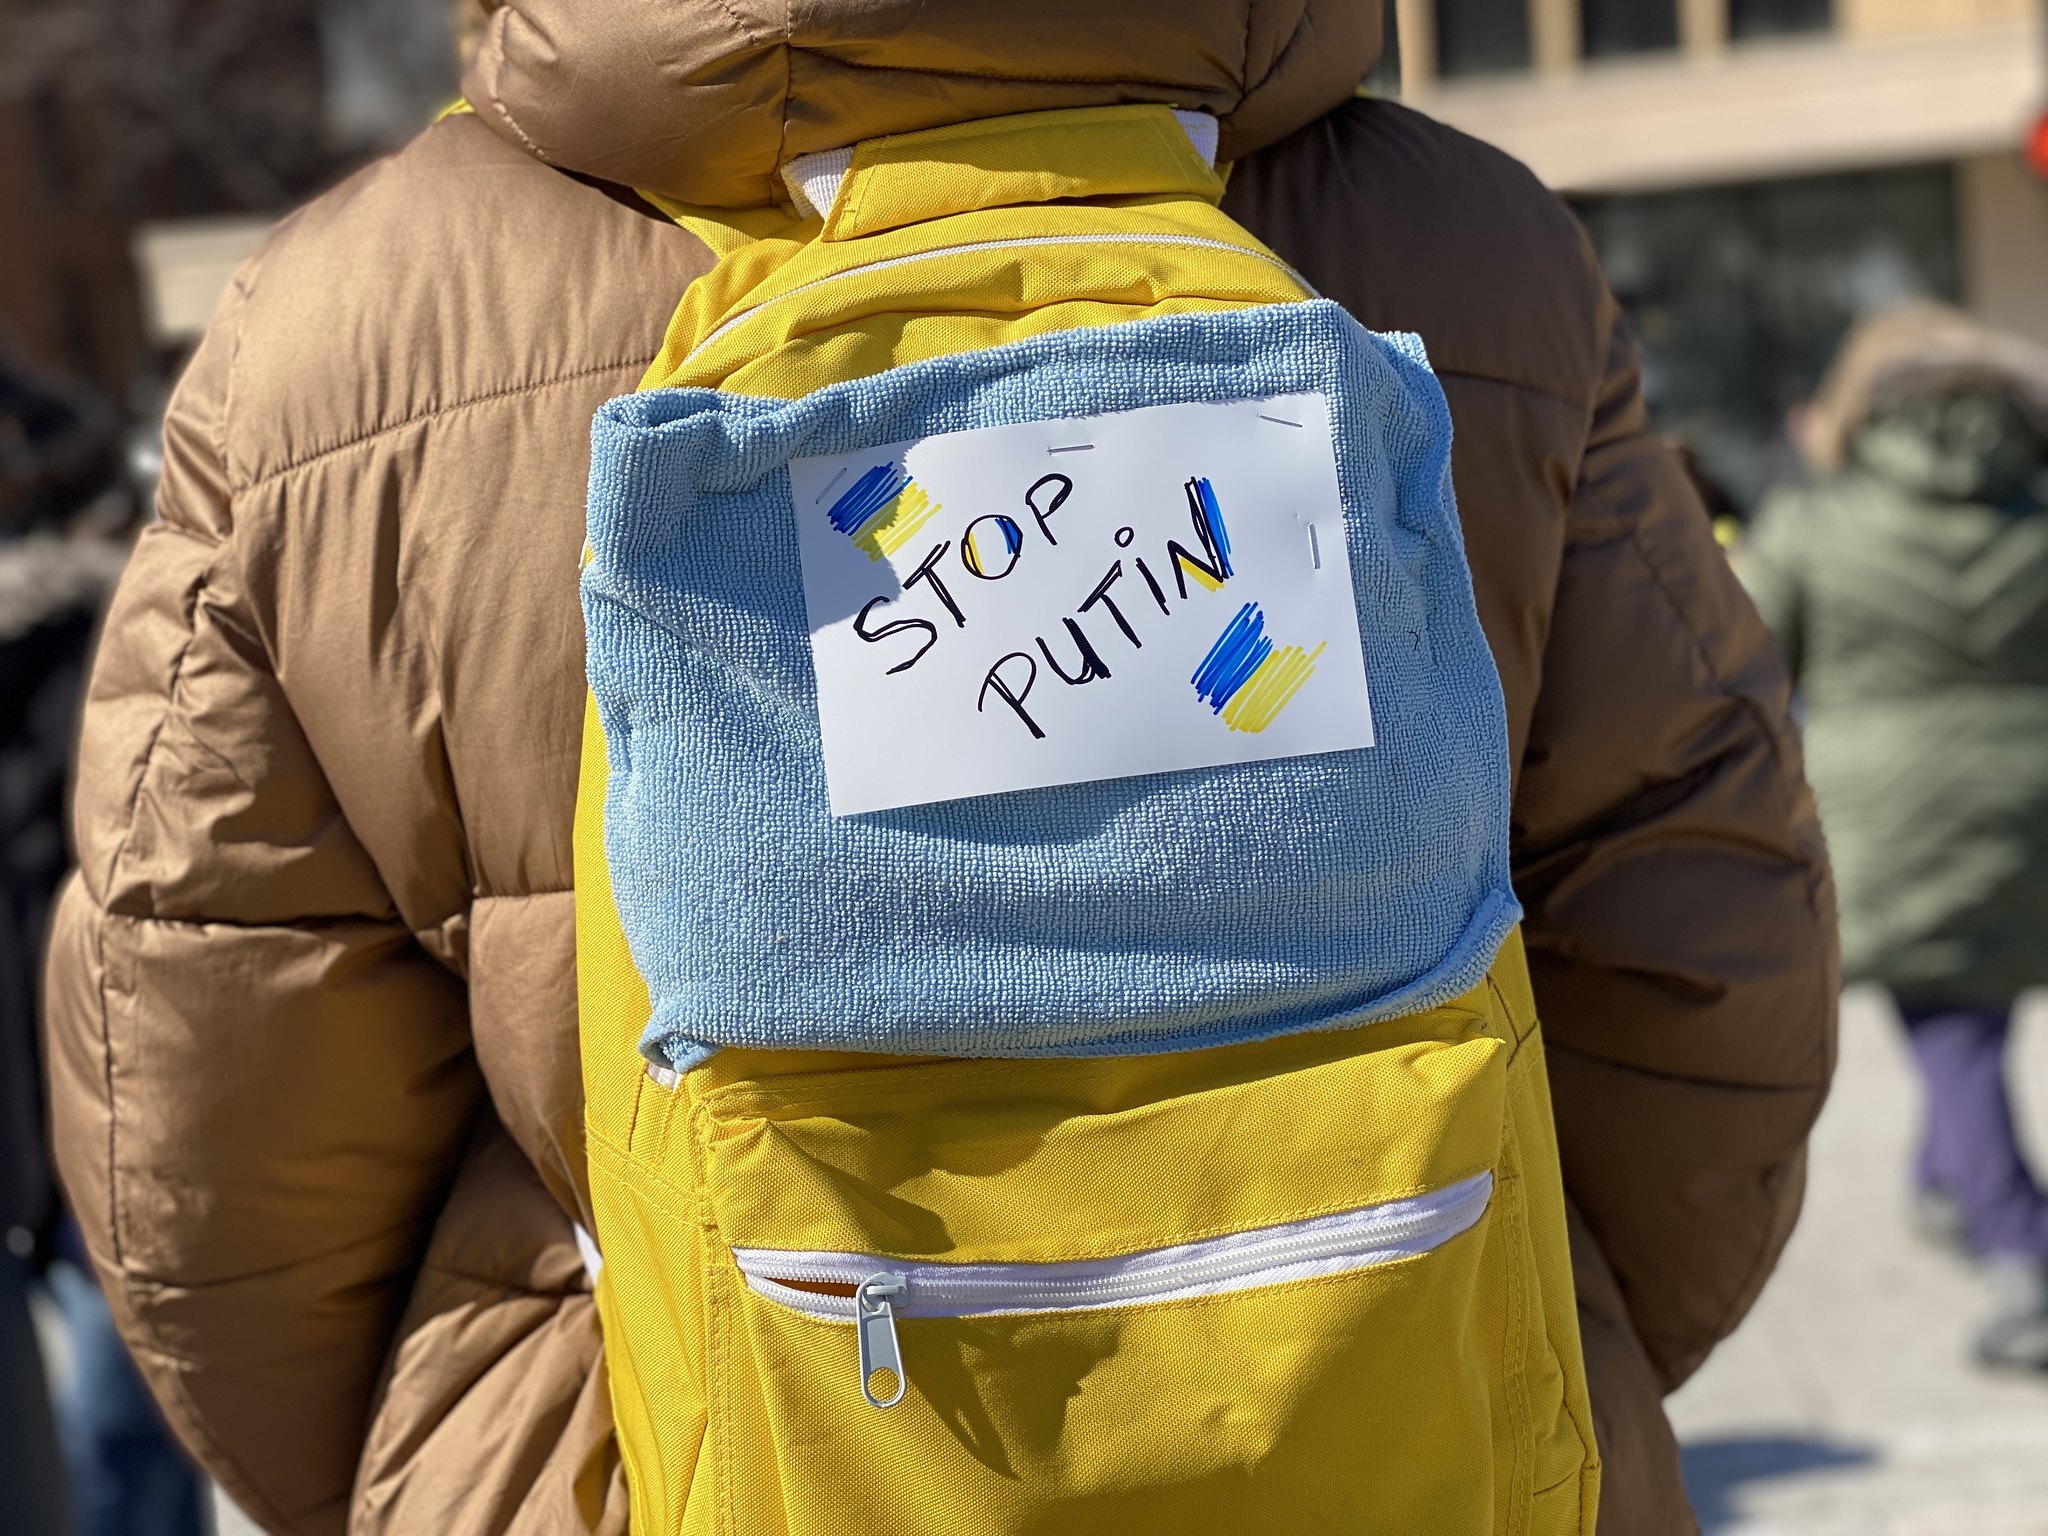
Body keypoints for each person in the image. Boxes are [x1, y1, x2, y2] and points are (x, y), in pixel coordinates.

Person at [43, 4, 1836, 1532]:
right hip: (1427, 1414)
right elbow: (1709, 938)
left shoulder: (345, 335)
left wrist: (477, 1430)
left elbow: (200, 1114)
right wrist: (1521, 1321)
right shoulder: (1474, 253)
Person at [1743, 302, 2048, 1369]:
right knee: (1971, 1014)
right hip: (2031, 801)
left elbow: (1746, 660)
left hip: (1891, 813)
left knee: (1950, 1029)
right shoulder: (2034, 510)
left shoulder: (1817, 522)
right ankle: (1945, 1180)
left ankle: (2024, 1256)